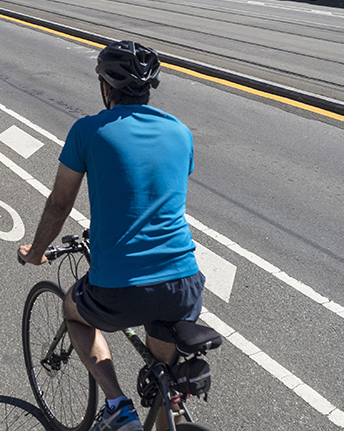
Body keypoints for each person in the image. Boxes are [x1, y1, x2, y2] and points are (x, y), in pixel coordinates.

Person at [18, 40, 204, 431]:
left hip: (121, 285)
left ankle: (117, 405)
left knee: (75, 312)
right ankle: (165, 402)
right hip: (184, 281)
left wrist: (37, 251)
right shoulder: (181, 132)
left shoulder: (88, 130)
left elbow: (59, 203)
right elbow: (159, 191)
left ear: (106, 87)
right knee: (161, 379)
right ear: (149, 88)